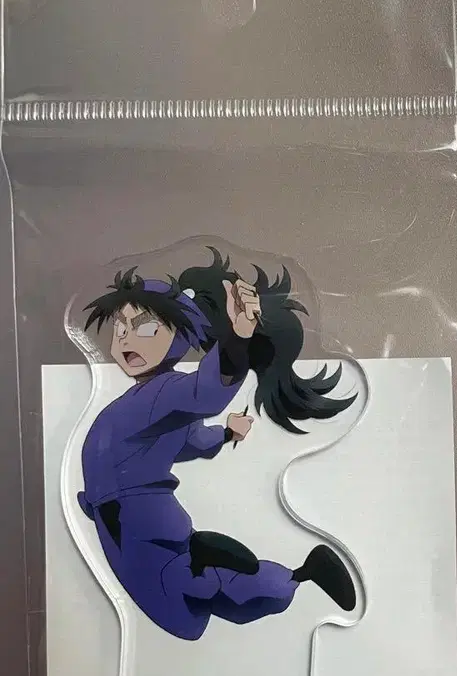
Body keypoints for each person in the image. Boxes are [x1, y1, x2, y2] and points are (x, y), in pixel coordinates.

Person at [77, 248, 357, 641]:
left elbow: (205, 392)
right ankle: (282, 576)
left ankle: (262, 573)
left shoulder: (162, 392)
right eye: (120, 328)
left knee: (176, 594)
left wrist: (237, 337)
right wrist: (225, 434)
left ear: (178, 336)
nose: (125, 338)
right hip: (128, 517)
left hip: (135, 515)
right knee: (182, 599)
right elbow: (190, 440)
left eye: (145, 328)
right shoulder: (153, 402)